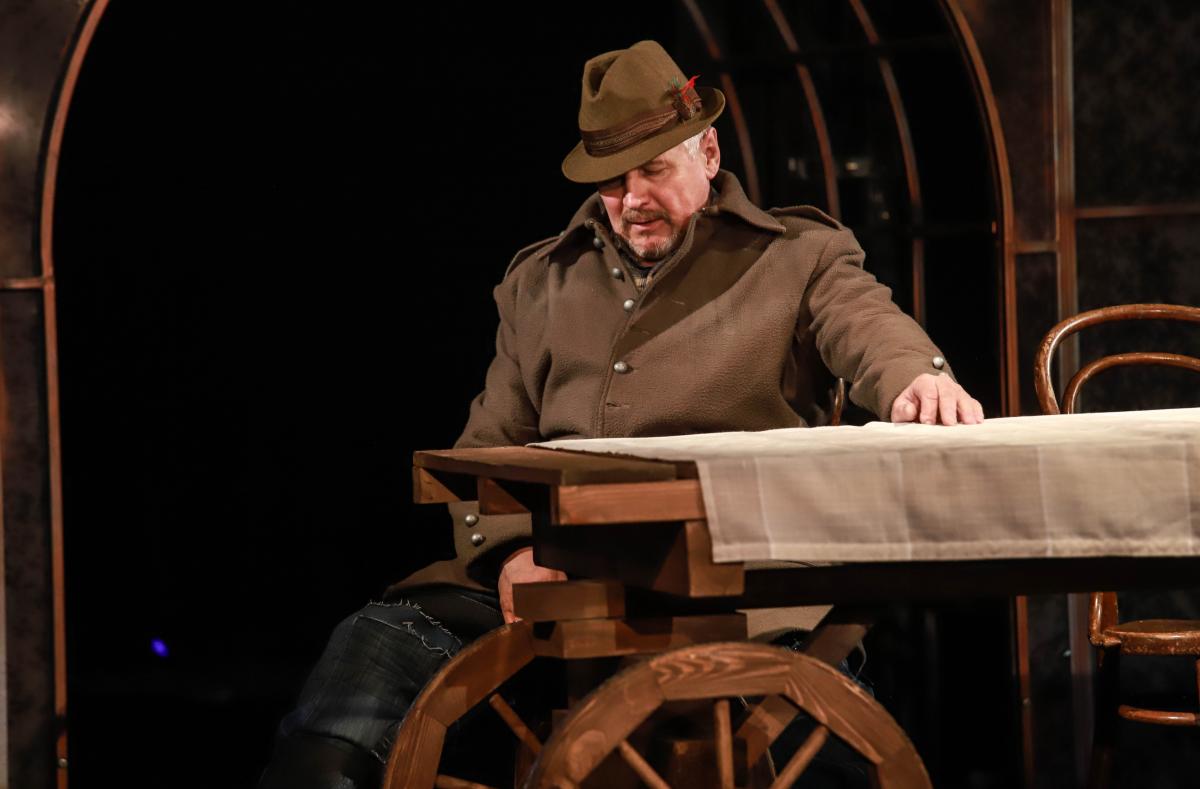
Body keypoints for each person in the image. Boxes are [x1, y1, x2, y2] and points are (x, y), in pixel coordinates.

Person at [258, 40, 982, 788]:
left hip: (732, 590)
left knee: (820, 763)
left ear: (708, 153)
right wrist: (512, 553)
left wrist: (914, 379)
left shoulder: (798, 256)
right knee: (369, 656)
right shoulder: (541, 281)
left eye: (653, 170)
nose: (632, 199)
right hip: (559, 577)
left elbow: (868, 327)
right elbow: (486, 449)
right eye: (612, 179)